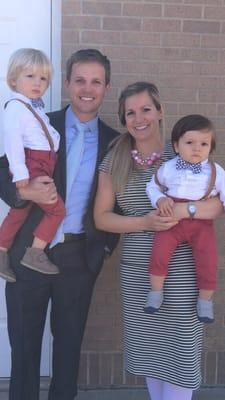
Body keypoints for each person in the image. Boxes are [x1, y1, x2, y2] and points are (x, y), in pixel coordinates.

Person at [0, 48, 119, 400]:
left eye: (96, 81)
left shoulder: (115, 142)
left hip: (77, 260)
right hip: (27, 255)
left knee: (67, 354)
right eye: (79, 80)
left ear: (106, 88)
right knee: (23, 353)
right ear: (66, 83)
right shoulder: (38, 122)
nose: (87, 88)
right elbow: (2, 172)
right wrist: (25, 193)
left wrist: (102, 251)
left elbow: (123, 203)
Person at [94, 82, 223, 400]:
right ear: (124, 120)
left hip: (182, 270)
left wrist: (185, 209)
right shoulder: (114, 162)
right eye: (130, 113)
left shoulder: (184, 149)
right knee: (151, 353)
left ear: (160, 111)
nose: (139, 119)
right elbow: (102, 218)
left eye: (146, 109)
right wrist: (145, 221)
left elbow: (217, 205)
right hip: (140, 273)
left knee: (180, 352)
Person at [144, 114, 225, 324]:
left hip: (201, 224)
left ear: (211, 147)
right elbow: (152, 186)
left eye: (204, 144)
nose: (197, 148)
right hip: (171, 218)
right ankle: (155, 292)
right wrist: (160, 198)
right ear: (177, 146)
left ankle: (205, 301)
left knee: (208, 259)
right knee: (159, 252)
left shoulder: (216, 172)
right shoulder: (169, 168)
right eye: (190, 143)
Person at [0, 48, 66, 282]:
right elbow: (12, 141)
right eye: (30, 76)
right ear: (14, 79)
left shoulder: (31, 107)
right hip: (34, 165)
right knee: (57, 210)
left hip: (42, 162)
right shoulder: (16, 107)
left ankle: (1, 250)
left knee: (19, 211)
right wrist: (20, 174)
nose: (38, 83)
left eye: (43, 78)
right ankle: (36, 252)